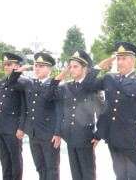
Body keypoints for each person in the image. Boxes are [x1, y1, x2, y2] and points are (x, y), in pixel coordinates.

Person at [82, 41, 136, 180]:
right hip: (114, 138)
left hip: (133, 140)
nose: (120, 62)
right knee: (120, 174)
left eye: (124, 59)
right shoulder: (110, 78)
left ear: (133, 61)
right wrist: (99, 66)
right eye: (119, 58)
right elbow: (87, 85)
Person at [43, 49, 104, 180]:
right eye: (71, 67)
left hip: (86, 137)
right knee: (75, 174)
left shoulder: (92, 88)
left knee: (88, 174)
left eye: (75, 67)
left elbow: (102, 112)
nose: (72, 70)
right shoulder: (66, 86)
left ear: (85, 68)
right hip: (70, 137)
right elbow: (48, 97)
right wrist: (58, 79)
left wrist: (99, 135)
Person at [11, 52, 62, 180]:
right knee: (40, 167)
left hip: (49, 135)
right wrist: (18, 71)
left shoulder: (55, 86)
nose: (37, 68)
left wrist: (58, 133)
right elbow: (11, 84)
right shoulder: (30, 84)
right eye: (36, 66)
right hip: (33, 134)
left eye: (41, 66)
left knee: (52, 169)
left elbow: (60, 111)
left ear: (49, 69)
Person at [0, 52, 26, 180]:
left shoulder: (21, 82)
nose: (6, 67)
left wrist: (22, 127)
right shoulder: (3, 81)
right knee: (5, 160)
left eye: (9, 64)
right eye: (5, 64)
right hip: (0, 127)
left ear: (17, 67)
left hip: (13, 129)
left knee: (16, 160)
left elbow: (25, 107)